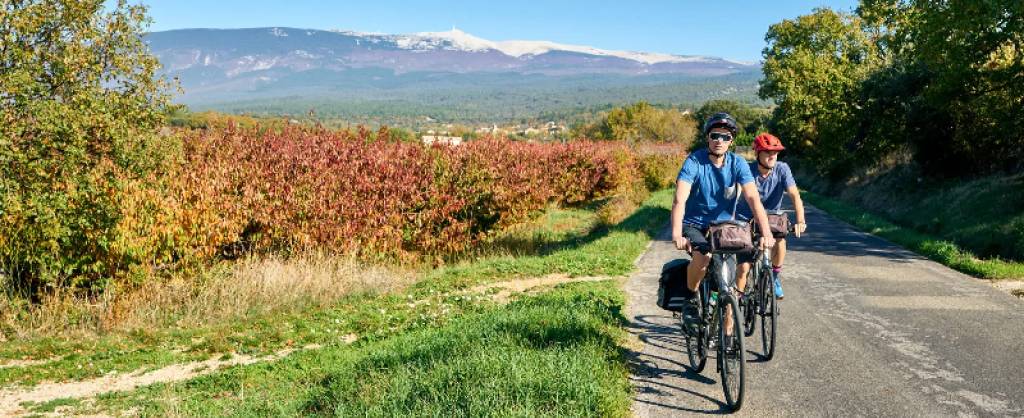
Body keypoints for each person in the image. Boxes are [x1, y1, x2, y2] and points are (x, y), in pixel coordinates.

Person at [671, 113, 775, 339]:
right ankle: (690, 298)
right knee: (703, 258)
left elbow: (753, 199)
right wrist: (677, 233)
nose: (719, 140)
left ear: (731, 141)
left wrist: (766, 232)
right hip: (695, 225)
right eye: (714, 135)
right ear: (708, 137)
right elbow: (680, 199)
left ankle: (728, 321)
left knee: (729, 281)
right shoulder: (694, 162)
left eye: (725, 137)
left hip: (724, 227)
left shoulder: (737, 163)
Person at [734, 133, 807, 300]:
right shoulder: (747, 170)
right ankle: (736, 301)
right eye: (767, 152)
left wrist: (800, 221)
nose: (772, 156)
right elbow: (737, 192)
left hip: (771, 218)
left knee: (780, 238)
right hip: (746, 218)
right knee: (744, 267)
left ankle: (773, 277)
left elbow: (795, 195)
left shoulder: (782, 169)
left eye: (775, 152)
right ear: (757, 154)